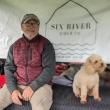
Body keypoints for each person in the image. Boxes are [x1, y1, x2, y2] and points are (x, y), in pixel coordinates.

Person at [0, 13, 56, 110]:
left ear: (38, 27)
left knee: (40, 108)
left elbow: (49, 69)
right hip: (17, 83)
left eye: (34, 23)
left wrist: (32, 87)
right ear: (21, 26)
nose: (31, 26)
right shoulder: (14, 46)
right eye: (27, 23)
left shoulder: (46, 44)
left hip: (40, 85)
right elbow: (8, 68)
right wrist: (13, 90)